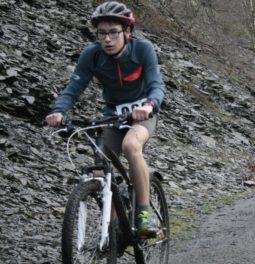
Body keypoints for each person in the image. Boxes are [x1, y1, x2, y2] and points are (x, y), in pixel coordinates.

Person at [45, 1, 165, 237]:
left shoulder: (142, 49)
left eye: (113, 32)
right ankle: (110, 229)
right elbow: (74, 87)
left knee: (131, 146)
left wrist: (150, 104)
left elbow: (156, 84)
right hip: (113, 115)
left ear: (127, 32)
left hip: (143, 114)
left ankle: (144, 214)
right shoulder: (92, 54)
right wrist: (58, 111)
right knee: (99, 170)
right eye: (102, 33)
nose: (107, 39)